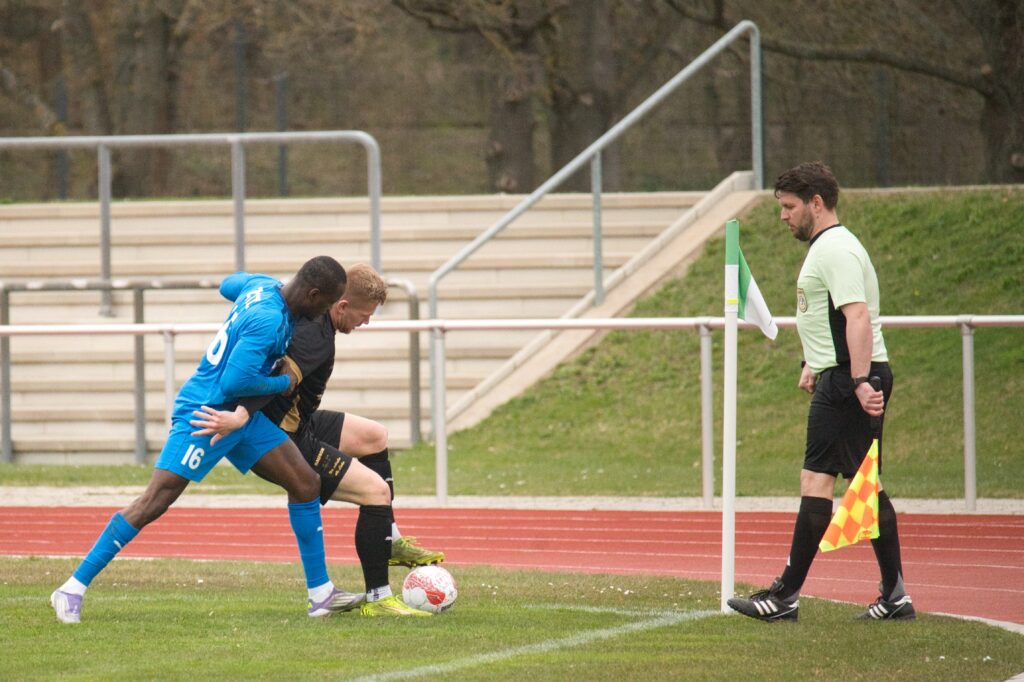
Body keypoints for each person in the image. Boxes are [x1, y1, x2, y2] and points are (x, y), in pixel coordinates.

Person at [50, 256, 362, 624]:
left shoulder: (261, 286)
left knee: (306, 483)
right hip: (207, 416)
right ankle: (71, 588)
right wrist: (284, 381)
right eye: (327, 304)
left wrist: (251, 298)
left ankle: (321, 594)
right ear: (313, 294)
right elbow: (234, 382)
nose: (325, 313)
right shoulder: (269, 320)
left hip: (239, 418)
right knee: (154, 501)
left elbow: (229, 283)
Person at [190, 263, 442, 617]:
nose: (367, 322)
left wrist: (268, 285)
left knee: (374, 436)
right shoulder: (314, 337)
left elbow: (228, 283)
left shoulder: (315, 316)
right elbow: (278, 381)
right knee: (375, 493)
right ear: (341, 306)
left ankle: (390, 538)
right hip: (285, 437)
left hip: (302, 422)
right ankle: (379, 598)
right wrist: (242, 415)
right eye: (364, 315)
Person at [727, 162, 914, 622]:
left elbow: (857, 316)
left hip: (849, 380)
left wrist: (858, 381)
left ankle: (784, 597)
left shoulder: (835, 249)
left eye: (790, 207)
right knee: (866, 485)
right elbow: (830, 317)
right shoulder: (829, 247)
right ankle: (895, 597)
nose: (783, 216)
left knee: (818, 481)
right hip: (842, 374)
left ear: (816, 203)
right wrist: (814, 362)